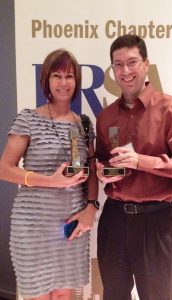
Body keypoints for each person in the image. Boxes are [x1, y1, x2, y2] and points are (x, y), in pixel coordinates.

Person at [95, 34, 172, 300]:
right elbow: (100, 159)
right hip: (114, 219)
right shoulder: (106, 116)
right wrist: (100, 170)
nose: (125, 71)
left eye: (132, 62)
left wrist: (140, 161)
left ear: (146, 64)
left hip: (157, 220)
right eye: (118, 65)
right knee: (114, 295)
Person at [0, 49, 99, 300]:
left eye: (69, 76)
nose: (63, 82)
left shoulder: (84, 124)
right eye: (57, 75)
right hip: (34, 226)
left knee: (64, 294)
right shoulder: (29, 119)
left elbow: (91, 172)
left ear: (76, 81)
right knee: (39, 295)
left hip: (70, 227)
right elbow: (4, 168)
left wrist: (90, 207)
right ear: (46, 79)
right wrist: (50, 181)